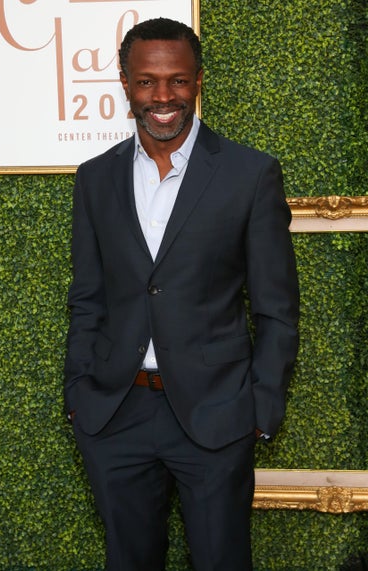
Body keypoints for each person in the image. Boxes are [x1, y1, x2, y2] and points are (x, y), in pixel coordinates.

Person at [64, 17, 299, 571]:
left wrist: (260, 407)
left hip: (216, 416)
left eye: (178, 80)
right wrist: (79, 391)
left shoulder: (250, 174)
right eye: (147, 81)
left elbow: (277, 308)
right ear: (126, 84)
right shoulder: (95, 178)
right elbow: (88, 298)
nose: (163, 96)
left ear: (197, 81)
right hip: (115, 414)